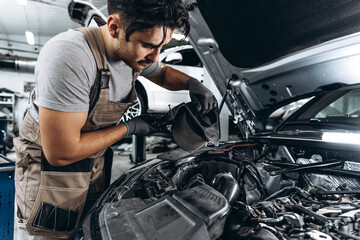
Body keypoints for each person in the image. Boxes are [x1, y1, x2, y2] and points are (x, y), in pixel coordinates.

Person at [13, 0, 217, 239]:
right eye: (148, 46)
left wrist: (191, 83)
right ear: (113, 27)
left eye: (162, 46)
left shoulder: (132, 51)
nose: (155, 56)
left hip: (94, 166)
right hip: (50, 178)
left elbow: (161, 71)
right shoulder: (71, 55)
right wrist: (129, 128)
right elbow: (61, 153)